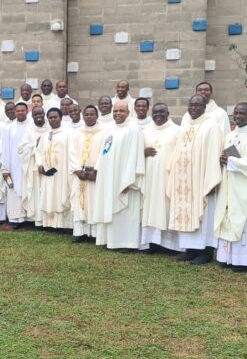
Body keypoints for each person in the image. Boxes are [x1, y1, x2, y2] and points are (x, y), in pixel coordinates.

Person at [167, 95, 224, 265]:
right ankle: (190, 249)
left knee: (204, 216)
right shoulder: (185, 126)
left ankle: (205, 252)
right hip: (183, 180)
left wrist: (211, 179)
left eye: (197, 105)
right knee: (184, 212)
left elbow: (214, 153)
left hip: (201, 179)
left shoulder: (211, 126)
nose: (193, 108)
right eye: (191, 105)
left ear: (204, 107)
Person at [213, 103, 247, 272]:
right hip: (230, 183)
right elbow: (231, 157)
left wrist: (230, 161)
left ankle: (244, 260)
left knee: (245, 221)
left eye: (242, 113)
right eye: (236, 113)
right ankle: (226, 257)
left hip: (245, 187)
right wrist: (224, 160)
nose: (238, 116)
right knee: (227, 216)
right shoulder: (231, 135)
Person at [93, 101, 145, 250]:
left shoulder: (133, 129)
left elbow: (133, 156)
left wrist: (128, 180)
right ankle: (110, 240)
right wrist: (99, 169)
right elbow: (104, 151)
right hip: (109, 176)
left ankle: (127, 243)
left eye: (121, 111)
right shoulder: (111, 128)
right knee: (109, 206)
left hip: (123, 179)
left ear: (128, 113)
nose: (117, 114)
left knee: (126, 212)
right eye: (115, 111)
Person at [141, 103, 182, 252]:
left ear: (168, 113)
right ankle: (152, 242)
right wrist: (143, 152)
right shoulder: (145, 131)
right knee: (150, 207)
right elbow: (136, 151)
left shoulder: (177, 131)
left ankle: (169, 244)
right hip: (150, 178)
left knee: (167, 206)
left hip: (168, 177)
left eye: (161, 112)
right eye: (155, 112)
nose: (158, 115)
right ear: (151, 114)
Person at [68, 105, 104, 241]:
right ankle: (80, 233)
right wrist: (77, 170)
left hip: (95, 175)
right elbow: (71, 152)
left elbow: (104, 153)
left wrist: (96, 171)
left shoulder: (104, 133)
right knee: (79, 202)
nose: (89, 117)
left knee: (94, 202)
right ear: (83, 116)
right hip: (80, 174)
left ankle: (94, 234)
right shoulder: (77, 133)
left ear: (97, 116)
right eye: (86, 114)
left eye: (92, 114)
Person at [35, 108, 73, 229]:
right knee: (48, 195)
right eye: (50, 118)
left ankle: (62, 225)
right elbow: (38, 151)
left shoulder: (67, 134)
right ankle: (49, 224)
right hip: (47, 172)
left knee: (60, 195)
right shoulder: (45, 135)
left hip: (61, 172)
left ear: (61, 118)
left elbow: (71, 153)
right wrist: (39, 164)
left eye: (55, 117)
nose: (53, 119)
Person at [3, 102, 32, 228]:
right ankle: (16, 218)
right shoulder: (9, 128)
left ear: (27, 111)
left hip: (28, 165)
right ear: (15, 112)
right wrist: (5, 169)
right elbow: (5, 149)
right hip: (14, 165)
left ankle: (29, 217)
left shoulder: (32, 126)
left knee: (28, 188)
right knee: (14, 190)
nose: (20, 112)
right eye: (18, 111)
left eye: (22, 110)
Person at [20, 106, 50, 224]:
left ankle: (48, 220)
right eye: (35, 115)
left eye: (40, 114)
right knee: (36, 192)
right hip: (33, 167)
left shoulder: (50, 128)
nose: (38, 116)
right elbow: (21, 149)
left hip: (48, 165)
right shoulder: (29, 130)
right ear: (32, 116)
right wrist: (35, 145)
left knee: (47, 191)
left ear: (44, 114)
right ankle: (38, 219)